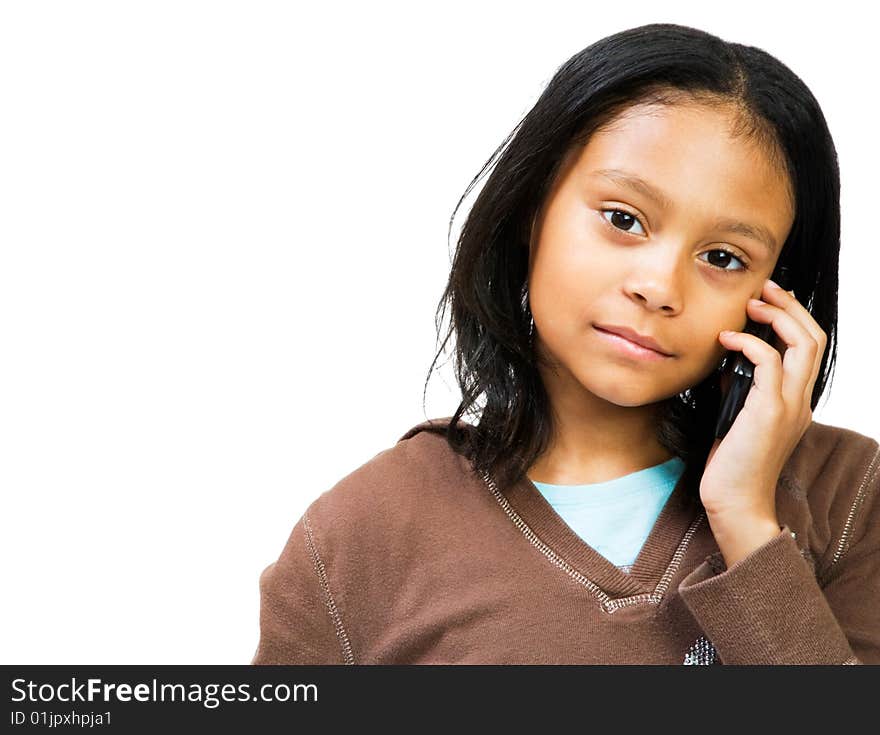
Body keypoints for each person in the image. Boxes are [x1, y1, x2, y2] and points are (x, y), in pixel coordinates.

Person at [251, 22, 879, 664]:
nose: (660, 287)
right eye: (623, 219)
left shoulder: (850, 496)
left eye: (722, 256)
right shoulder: (357, 537)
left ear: (775, 295)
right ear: (532, 208)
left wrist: (746, 522)